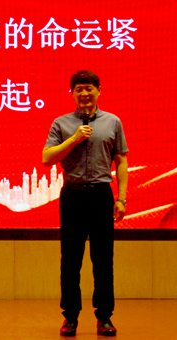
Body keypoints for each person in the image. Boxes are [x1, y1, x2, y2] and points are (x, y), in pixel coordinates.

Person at [42, 70, 128, 338]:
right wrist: (74, 138)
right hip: (73, 196)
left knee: (103, 259)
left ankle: (104, 317)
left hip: (101, 194)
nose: (84, 93)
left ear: (99, 91)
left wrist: (121, 198)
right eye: (78, 89)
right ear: (72, 94)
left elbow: (121, 161)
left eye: (89, 88)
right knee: (70, 259)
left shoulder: (113, 122)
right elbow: (46, 158)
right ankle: (70, 317)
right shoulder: (61, 123)